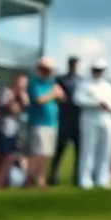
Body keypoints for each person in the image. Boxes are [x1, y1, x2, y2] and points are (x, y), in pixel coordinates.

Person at [74, 59, 111, 189]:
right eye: (96, 69)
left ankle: (102, 178)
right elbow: (78, 99)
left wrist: (108, 105)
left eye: (100, 70)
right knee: (87, 150)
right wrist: (96, 103)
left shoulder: (109, 87)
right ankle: (85, 179)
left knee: (106, 150)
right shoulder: (85, 84)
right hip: (90, 118)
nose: (98, 72)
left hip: (107, 119)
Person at [25, 57, 63, 188]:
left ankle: (40, 179)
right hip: (38, 122)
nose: (48, 73)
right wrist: (54, 93)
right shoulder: (33, 83)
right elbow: (39, 100)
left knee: (45, 153)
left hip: (52, 123)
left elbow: (62, 97)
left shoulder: (52, 83)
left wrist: (58, 94)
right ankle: (28, 180)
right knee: (37, 153)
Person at [49, 55, 81, 186]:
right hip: (65, 117)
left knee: (79, 149)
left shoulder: (81, 81)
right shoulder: (61, 80)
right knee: (60, 148)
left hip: (77, 118)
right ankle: (53, 175)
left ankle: (77, 176)